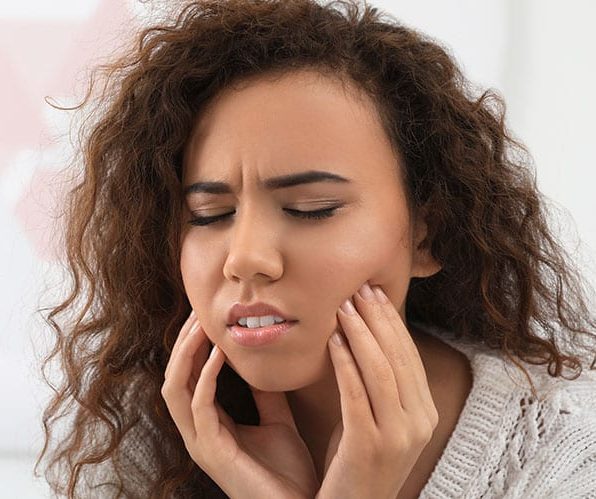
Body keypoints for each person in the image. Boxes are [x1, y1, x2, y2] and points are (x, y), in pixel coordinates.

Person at [35, 0, 596, 497]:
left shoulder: (569, 455)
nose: (245, 257)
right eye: (209, 215)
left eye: (311, 209)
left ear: (427, 234)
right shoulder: (135, 442)